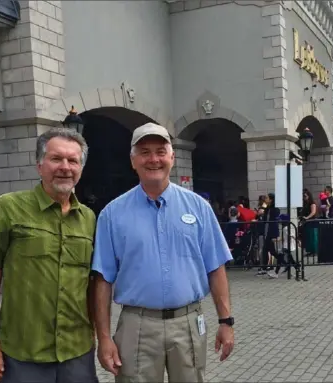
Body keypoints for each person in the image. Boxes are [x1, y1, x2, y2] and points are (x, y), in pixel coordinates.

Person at [92, 122, 235, 383]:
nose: (153, 159)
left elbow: (215, 267)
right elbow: (103, 279)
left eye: (160, 151)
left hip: (188, 322)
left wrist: (226, 321)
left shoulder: (198, 208)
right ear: (133, 161)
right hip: (136, 325)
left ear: (171, 156)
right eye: (144, 152)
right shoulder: (112, 215)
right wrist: (103, 338)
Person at [0, 128, 98, 383]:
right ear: (40, 165)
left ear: (80, 169)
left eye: (73, 161)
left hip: (77, 352)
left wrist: (98, 334)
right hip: (23, 354)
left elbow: (92, 283)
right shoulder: (8, 207)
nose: (65, 167)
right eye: (56, 159)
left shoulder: (89, 219)